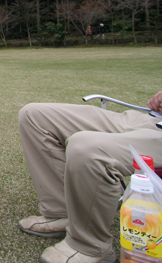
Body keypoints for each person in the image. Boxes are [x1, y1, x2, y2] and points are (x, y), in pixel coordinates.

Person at [18, 91, 162, 263]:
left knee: (86, 147)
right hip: (149, 119)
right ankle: (61, 212)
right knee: (33, 115)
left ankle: (91, 246)